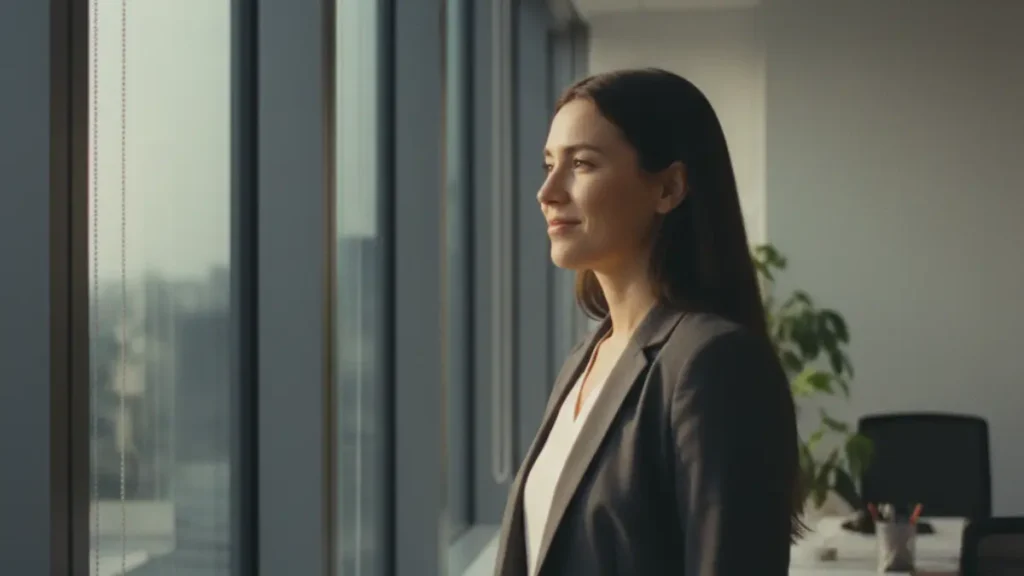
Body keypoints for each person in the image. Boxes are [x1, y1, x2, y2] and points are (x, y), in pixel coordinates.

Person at [492, 68, 803, 576]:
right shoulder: (587, 357)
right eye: (549, 164)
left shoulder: (714, 362)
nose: (547, 191)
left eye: (582, 164)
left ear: (669, 187)